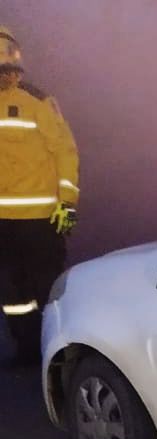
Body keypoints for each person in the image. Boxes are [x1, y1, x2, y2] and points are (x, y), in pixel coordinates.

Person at [0, 25, 79, 362]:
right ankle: (28, 351)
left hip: (40, 221)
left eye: (8, 70)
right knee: (12, 294)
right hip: (3, 223)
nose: (7, 77)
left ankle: (60, 352)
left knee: (47, 289)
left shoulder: (38, 101)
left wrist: (67, 203)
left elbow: (65, 151)